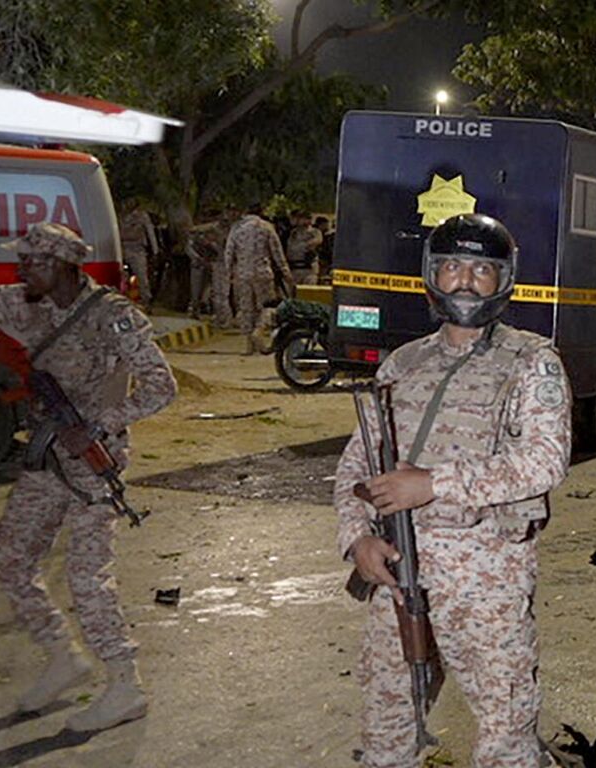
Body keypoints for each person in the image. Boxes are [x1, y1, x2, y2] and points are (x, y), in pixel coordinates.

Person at [334, 213, 570, 768]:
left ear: (503, 279)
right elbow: (355, 468)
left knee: (504, 733)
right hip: (397, 572)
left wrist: (434, 484)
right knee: (387, 726)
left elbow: (543, 462)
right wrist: (356, 542)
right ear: (432, 275)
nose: (465, 281)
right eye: (452, 267)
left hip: (485, 581)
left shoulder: (532, 362)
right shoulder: (403, 364)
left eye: (481, 269)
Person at [0, 222, 176, 731]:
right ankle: (61, 655)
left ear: (58, 265)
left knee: (85, 574)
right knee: (10, 555)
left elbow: (164, 386)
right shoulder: (24, 303)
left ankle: (125, 684)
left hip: (97, 461)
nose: (19, 269)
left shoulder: (114, 317)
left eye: (29, 261)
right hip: (48, 458)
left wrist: (101, 423)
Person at [222, 208, 293, 353]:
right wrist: (286, 272)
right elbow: (276, 252)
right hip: (263, 273)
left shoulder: (236, 228)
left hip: (243, 274)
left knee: (246, 307)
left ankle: (249, 344)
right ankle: (259, 331)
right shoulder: (266, 227)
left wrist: (229, 274)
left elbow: (228, 253)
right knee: (266, 306)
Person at [117, 206, 160, 306]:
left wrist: (155, 250)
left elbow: (150, 232)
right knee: (122, 277)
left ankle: (146, 300)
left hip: (137, 249)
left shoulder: (141, 216)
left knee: (142, 276)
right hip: (123, 248)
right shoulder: (120, 214)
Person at [285, 214, 324, 286]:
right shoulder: (293, 233)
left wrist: (302, 246)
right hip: (294, 268)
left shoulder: (314, 232)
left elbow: (314, 243)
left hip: (308, 269)